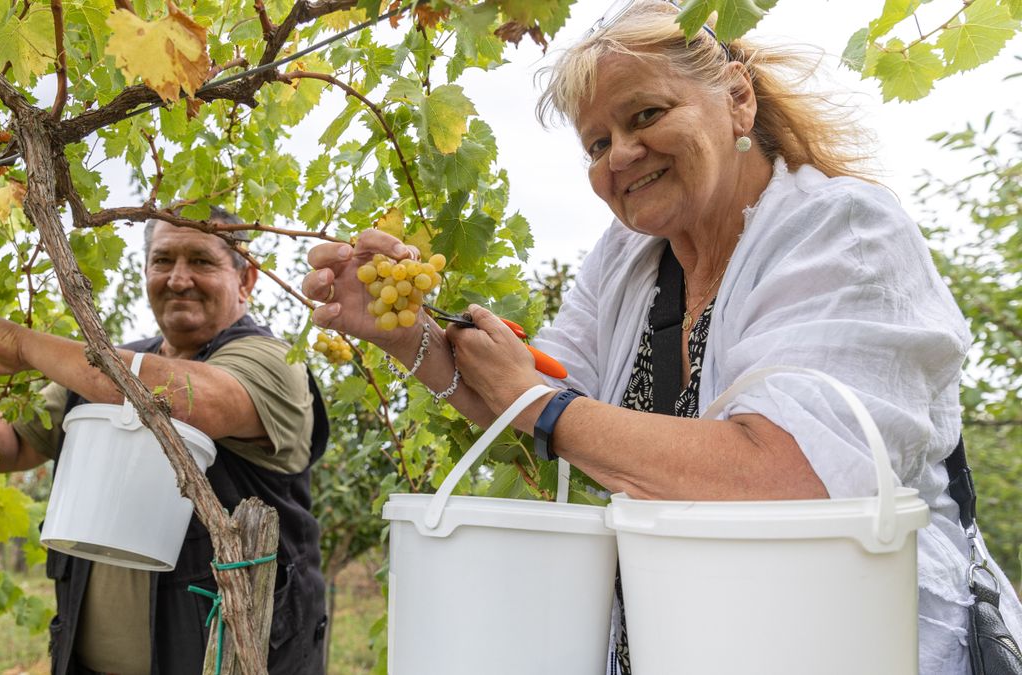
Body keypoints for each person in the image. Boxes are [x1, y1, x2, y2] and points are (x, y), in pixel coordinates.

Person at [301, 2, 1022, 673]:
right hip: (692, 642)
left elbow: (792, 474)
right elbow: (529, 399)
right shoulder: (628, 261)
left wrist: (544, 407)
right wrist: (409, 335)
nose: (618, 155)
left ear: (738, 99)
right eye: (596, 143)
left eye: (644, 114)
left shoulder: (845, 233)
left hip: (843, 646)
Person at [0, 207, 329, 675]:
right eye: (163, 261)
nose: (179, 278)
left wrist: (25, 346)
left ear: (245, 281)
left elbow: (187, 398)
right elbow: (16, 440)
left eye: (202, 261)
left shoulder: (272, 361)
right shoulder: (104, 369)